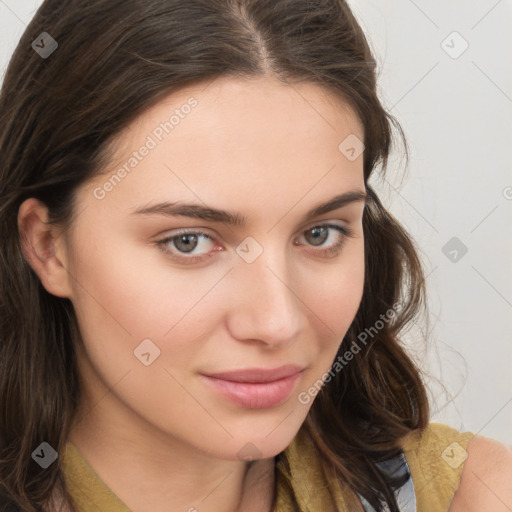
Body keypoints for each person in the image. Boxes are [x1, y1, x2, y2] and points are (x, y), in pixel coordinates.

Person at [1, 0, 511, 511]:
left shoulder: (475, 496)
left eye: (320, 234)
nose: (277, 322)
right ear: (49, 248)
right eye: (190, 241)